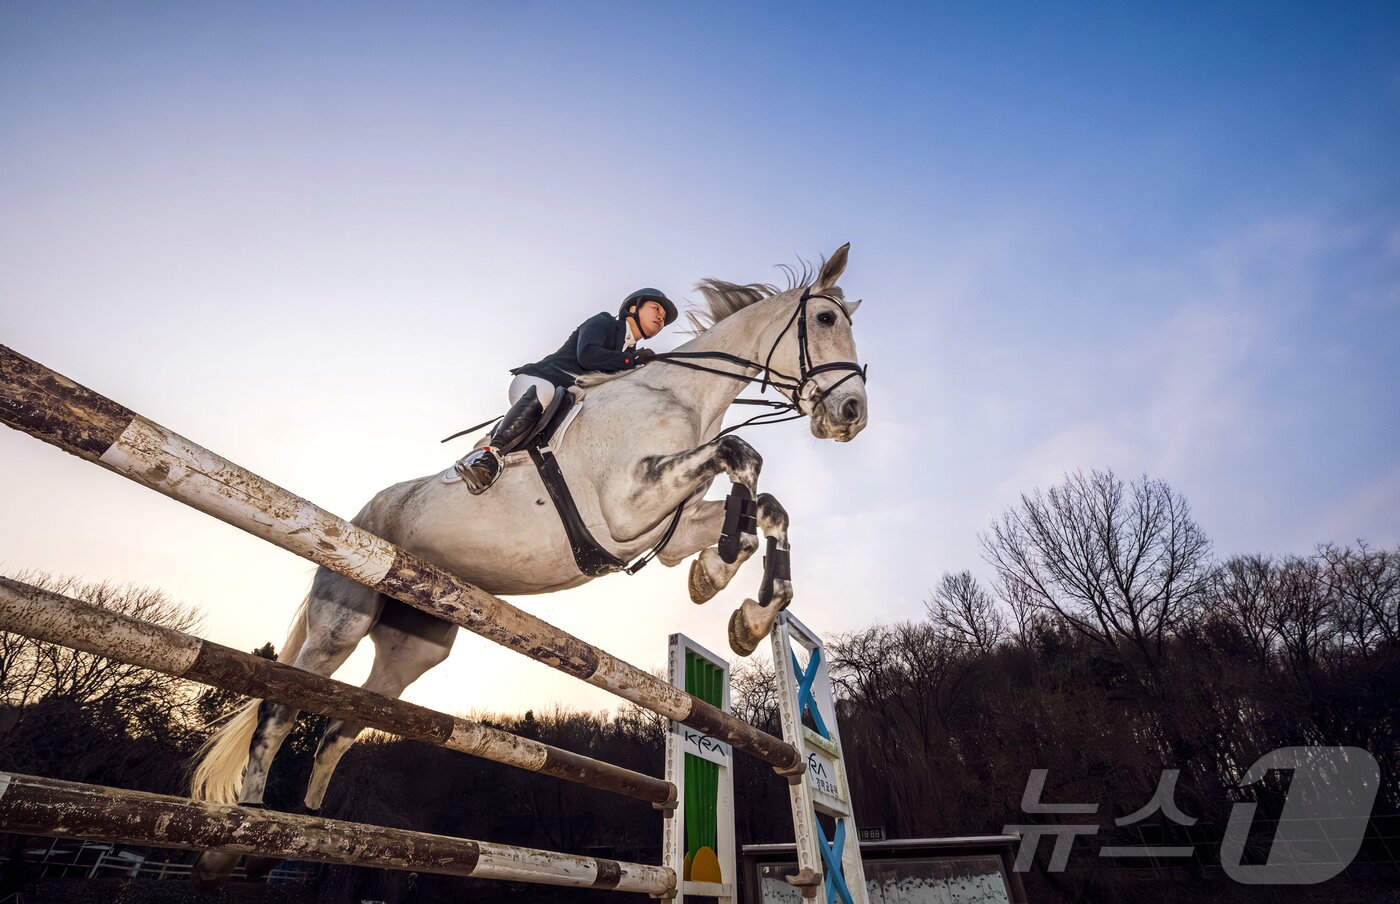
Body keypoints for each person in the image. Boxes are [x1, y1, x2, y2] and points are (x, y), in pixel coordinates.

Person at [454, 288, 679, 494]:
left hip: (566, 401)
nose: (661, 318)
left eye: (664, 318)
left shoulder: (630, 353)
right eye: (656, 308)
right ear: (633, 308)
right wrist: (632, 360)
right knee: (546, 393)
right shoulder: (603, 322)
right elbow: (588, 356)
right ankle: (490, 456)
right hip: (537, 381)